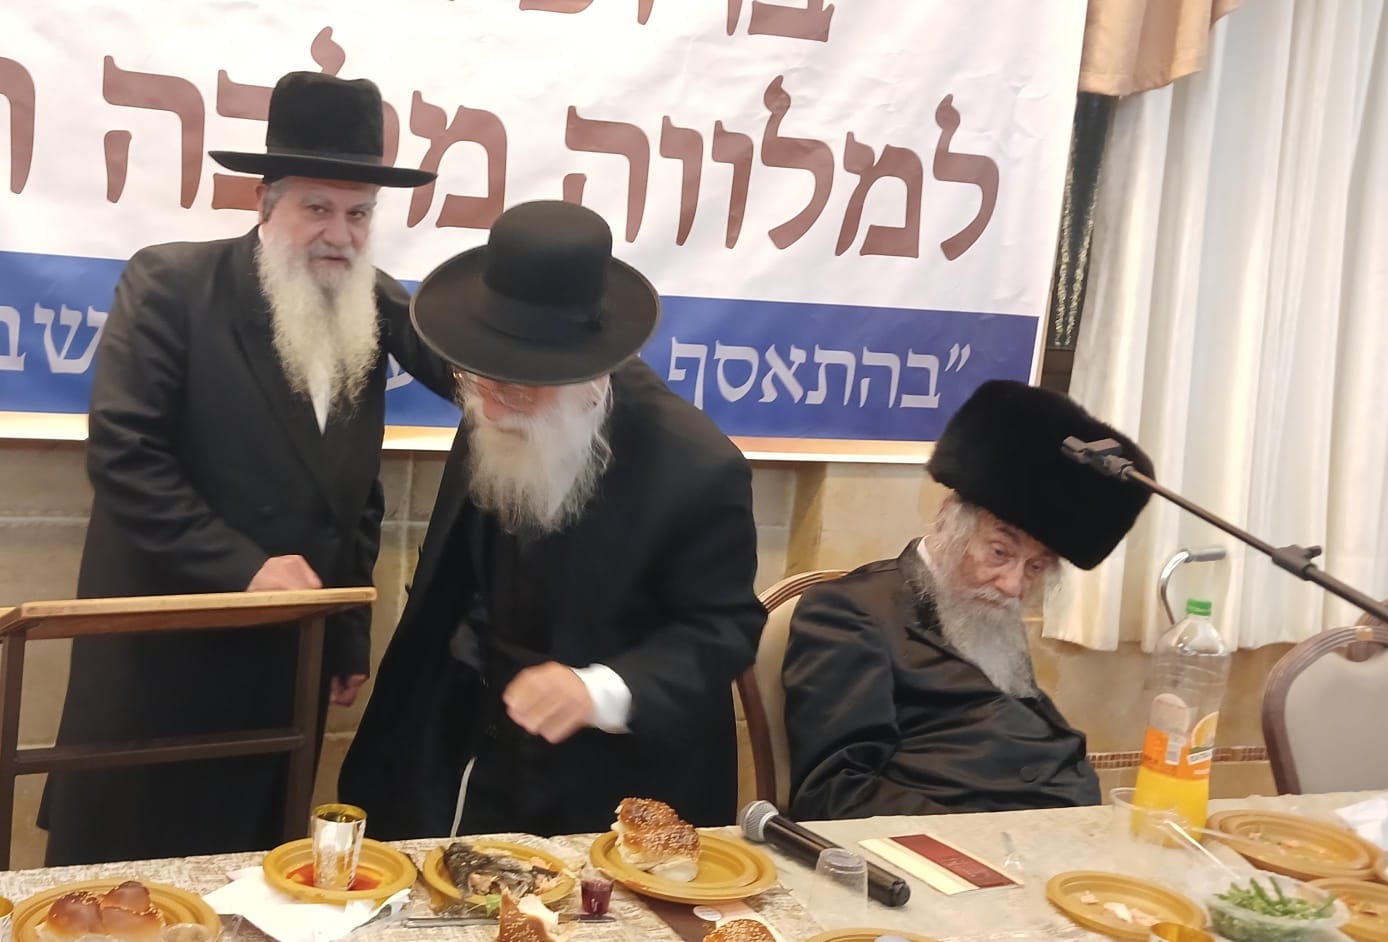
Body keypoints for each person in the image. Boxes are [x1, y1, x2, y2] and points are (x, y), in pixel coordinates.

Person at [40, 71, 455, 865]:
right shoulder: (172, 284)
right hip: (167, 663)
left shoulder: (370, 304)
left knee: (255, 880)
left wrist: (346, 632)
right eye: (318, 208)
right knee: (134, 887)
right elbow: (127, 457)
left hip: (285, 671)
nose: (340, 233)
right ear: (266, 202)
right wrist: (245, 567)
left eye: (359, 213)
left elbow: (352, 494)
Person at [339, 199, 765, 838]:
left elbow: (724, 630)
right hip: (474, 743)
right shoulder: (498, 400)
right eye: (477, 381)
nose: (491, 408)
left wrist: (599, 690)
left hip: (612, 784)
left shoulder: (696, 466)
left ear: (588, 377)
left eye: (516, 390)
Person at [782, 380, 1155, 819]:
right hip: (958, 844)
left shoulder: (987, 607)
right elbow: (835, 794)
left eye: (1036, 567)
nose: (1013, 585)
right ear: (948, 521)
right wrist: (988, 837)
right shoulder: (849, 613)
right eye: (1000, 552)